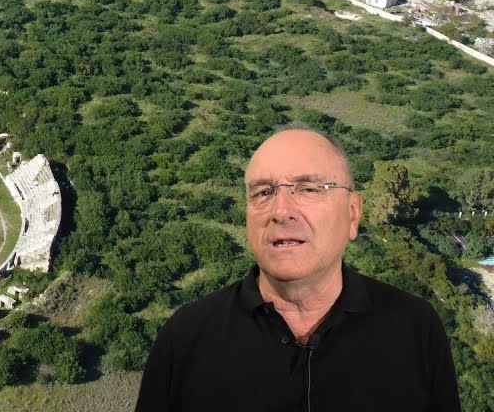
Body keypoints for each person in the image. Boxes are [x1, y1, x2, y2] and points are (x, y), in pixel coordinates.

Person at [136, 128, 460, 412]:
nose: (281, 211)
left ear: (352, 213)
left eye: (308, 189)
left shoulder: (416, 328)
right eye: (264, 192)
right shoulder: (186, 337)